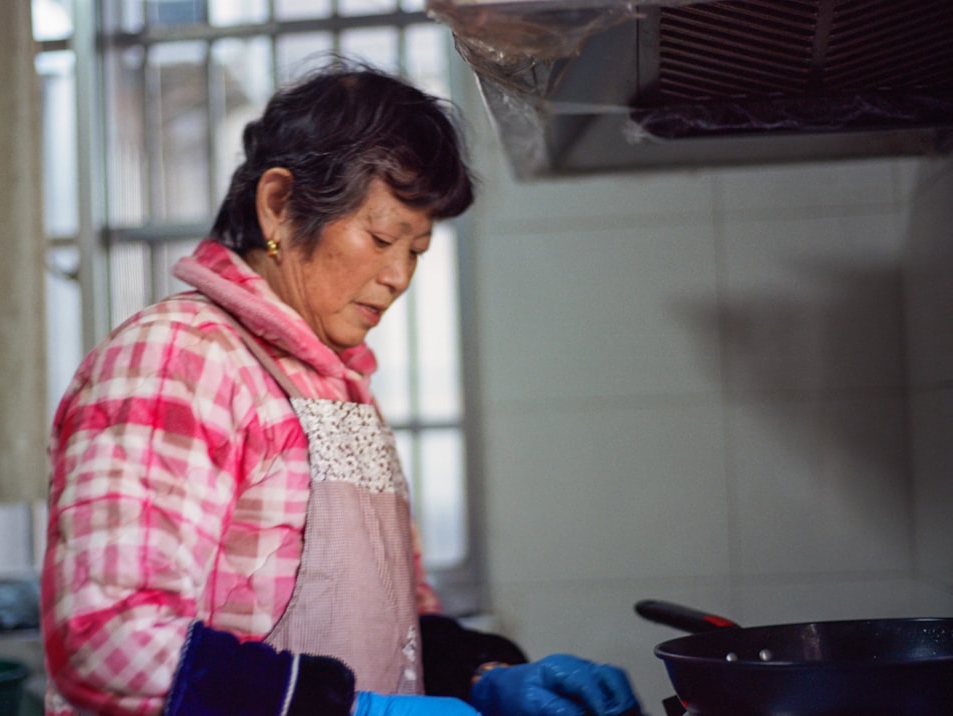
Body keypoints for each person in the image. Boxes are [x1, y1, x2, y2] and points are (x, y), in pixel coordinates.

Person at [40, 61, 641, 716]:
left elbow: (392, 623)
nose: (397, 276)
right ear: (279, 204)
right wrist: (357, 711)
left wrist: (482, 675)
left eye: (416, 250)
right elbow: (108, 642)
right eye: (381, 237)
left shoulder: (336, 383)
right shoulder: (176, 360)